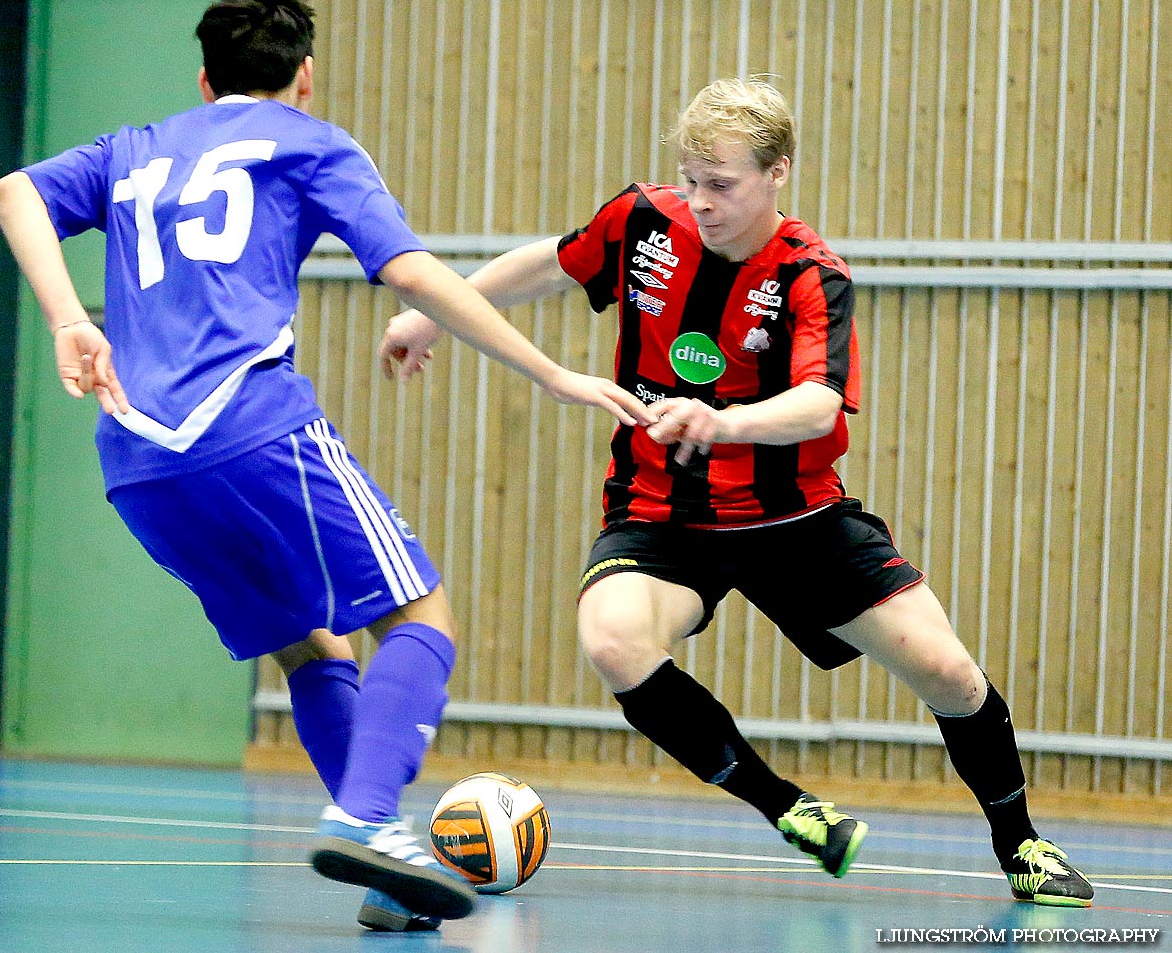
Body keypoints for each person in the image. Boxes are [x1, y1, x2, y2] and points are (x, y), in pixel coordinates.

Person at [0, 0, 651, 933]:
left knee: (312, 639)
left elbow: (16, 190)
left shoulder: (131, 151)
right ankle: (367, 815)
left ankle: (383, 873)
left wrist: (68, 322)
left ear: (204, 75)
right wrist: (550, 371)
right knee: (421, 611)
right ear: (304, 77)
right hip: (252, 425)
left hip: (136, 459)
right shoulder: (312, 143)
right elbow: (412, 271)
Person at [379, 77, 1093, 908]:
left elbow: (819, 402)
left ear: (777, 173)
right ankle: (790, 809)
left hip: (798, 519)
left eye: (721, 184)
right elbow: (551, 260)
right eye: (690, 179)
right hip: (660, 514)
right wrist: (435, 312)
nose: (701, 202)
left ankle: (1020, 844)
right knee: (611, 639)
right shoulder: (645, 223)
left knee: (948, 673)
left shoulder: (807, 273)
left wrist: (726, 423)